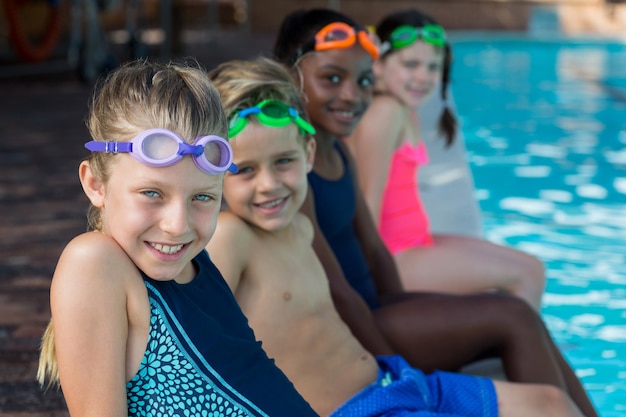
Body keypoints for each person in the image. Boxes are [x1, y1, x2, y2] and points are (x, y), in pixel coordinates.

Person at [207, 55, 588, 417]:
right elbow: (196, 349)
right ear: (215, 171)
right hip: (353, 408)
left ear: (308, 154)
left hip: (392, 380)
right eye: (245, 171)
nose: (269, 185)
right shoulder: (231, 238)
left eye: (283, 162)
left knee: (551, 402)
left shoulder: (299, 227)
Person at [36, 59, 318, 417]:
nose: (178, 225)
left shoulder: (197, 263)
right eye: (152, 193)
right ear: (95, 184)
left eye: (202, 197)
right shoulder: (94, 263)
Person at [345, 9, 545, 311]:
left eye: (432, 67)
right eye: (410, 64)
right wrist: (366, 287)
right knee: (525, 275)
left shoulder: (400, 106)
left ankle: (526, 345)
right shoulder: (385, 112)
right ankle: (526, 350)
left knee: (532, 267)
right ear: (379, 64)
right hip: (395, 258)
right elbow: (367, 202)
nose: (423, 77)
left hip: (414, 242)